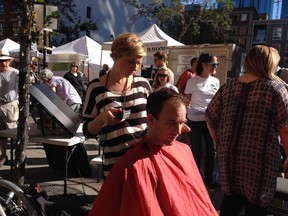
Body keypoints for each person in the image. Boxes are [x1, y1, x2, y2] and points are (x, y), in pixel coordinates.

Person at [88, 88, 217, 216]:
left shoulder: (184, 151)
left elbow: (199, 200)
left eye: (182, 123)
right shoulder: (132, 167)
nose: (178, 131)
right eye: (171, 123)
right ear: (150, 120)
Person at [205, 45, 288, 216]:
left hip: (228, 156)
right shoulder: (276, 89)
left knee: (230, 200)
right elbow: (285, 129)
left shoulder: (228, 87)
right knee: (256, 207)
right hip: (260, 160)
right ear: (270, 64)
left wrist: (218, 142)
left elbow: (210, 117)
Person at [82, 33, 152, 178]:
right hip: (115, 165)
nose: (135, 67)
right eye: (130, 61)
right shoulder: (95, 88)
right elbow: (87, 131)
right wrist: (101, 119)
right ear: (115, 55)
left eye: (138, 63)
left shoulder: (143, 84)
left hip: (145, 160)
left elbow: (154, 118)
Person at [184, 52, 220, 187]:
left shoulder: (215, 81)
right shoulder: (192, 81)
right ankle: (196, 179)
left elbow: (217, 101)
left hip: (211, 120)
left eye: (217, 64)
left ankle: (209, 179)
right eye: (213, 64)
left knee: (212, 151)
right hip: (195, 120)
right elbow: (186, 101)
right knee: (197, 152)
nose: (215, 66)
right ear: (204, 65)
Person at [0, 49, 19, 166]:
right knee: (1, 133)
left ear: (9, 61)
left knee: (13, 132)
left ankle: (18, 155)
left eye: (6, 61)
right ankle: (3, 155)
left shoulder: (15, 73)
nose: (3, 63)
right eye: (1, 61)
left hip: (10, 105)